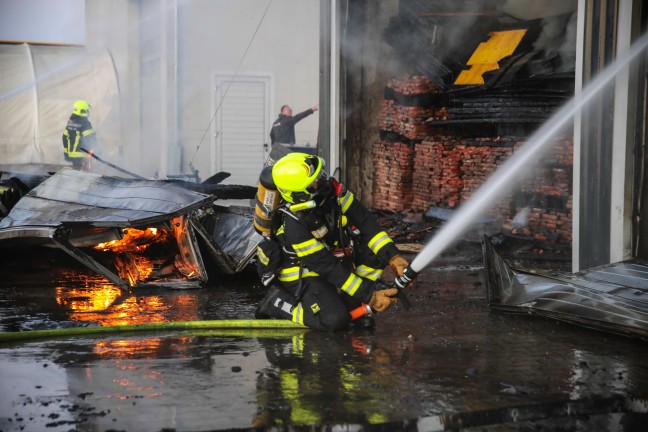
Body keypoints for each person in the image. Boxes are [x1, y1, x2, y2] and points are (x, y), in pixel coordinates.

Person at [254, 152, 413, 331]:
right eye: (316, 181)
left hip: (332, 259)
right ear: (301, 195)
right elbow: (326, 266)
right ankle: (276, 302)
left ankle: (352, 305)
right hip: (304, 271)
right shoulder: (294, 225)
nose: (324, 180)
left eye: (321, 174)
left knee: (375, 251)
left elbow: (365, 221)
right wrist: (370, 296)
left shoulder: (331, 193)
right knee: (334, 320)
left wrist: (393, 257)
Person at [62, 100, 97, 170]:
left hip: (72, 155)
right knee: (84, 174)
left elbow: (64, 138)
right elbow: (91, 139)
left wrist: (66, 153)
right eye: (86, 110)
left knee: (77, 171)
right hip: (82, 155)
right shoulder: (85, 123)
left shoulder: (70, 123)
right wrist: (97, 150)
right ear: (82, 111)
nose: (88, 112)